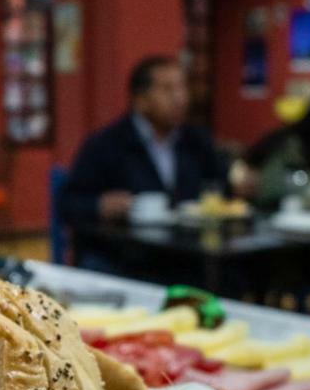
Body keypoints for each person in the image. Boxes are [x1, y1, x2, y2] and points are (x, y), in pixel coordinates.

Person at [60, 55, 228, 270]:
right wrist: (100, 205)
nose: (180, 98)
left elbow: (221, 187)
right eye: (167, 90)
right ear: (140, 100)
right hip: (123, 257)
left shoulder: (196, 142)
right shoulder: (106, 144)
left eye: (182, 88)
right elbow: (68, 203)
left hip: (188, 255)